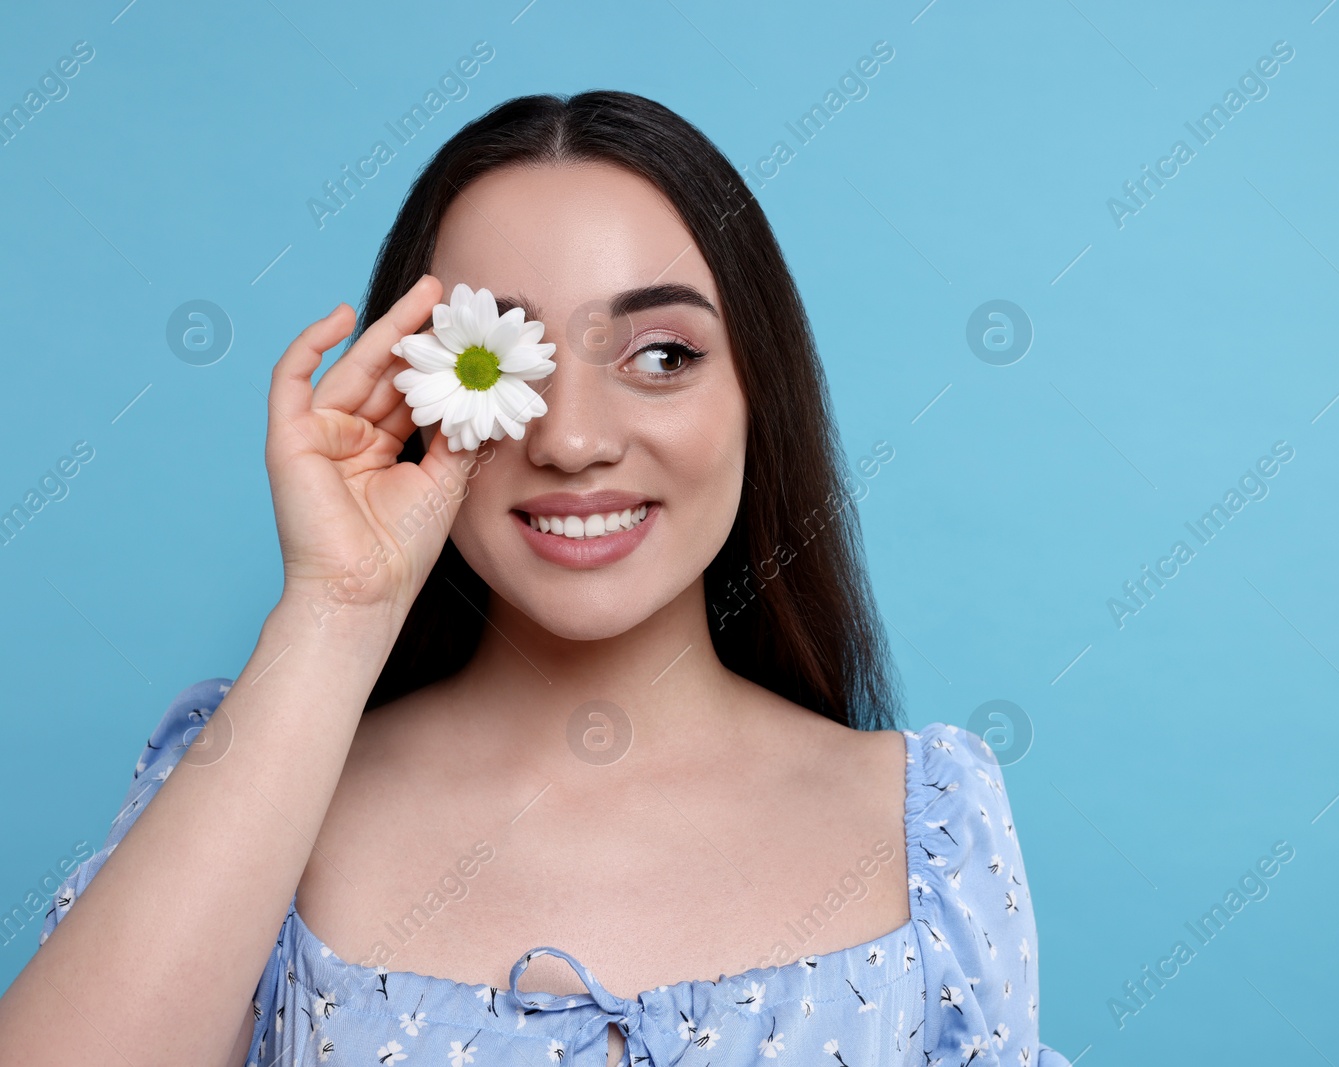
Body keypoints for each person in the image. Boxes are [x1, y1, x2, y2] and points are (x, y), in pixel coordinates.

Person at [0, 91, 1066, 1066]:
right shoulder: (254, 795)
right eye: (499, 363)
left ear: (757, 390)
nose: (571, 440)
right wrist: (338, 604)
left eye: (660, 355)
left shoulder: (931, 832)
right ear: (412, 397)